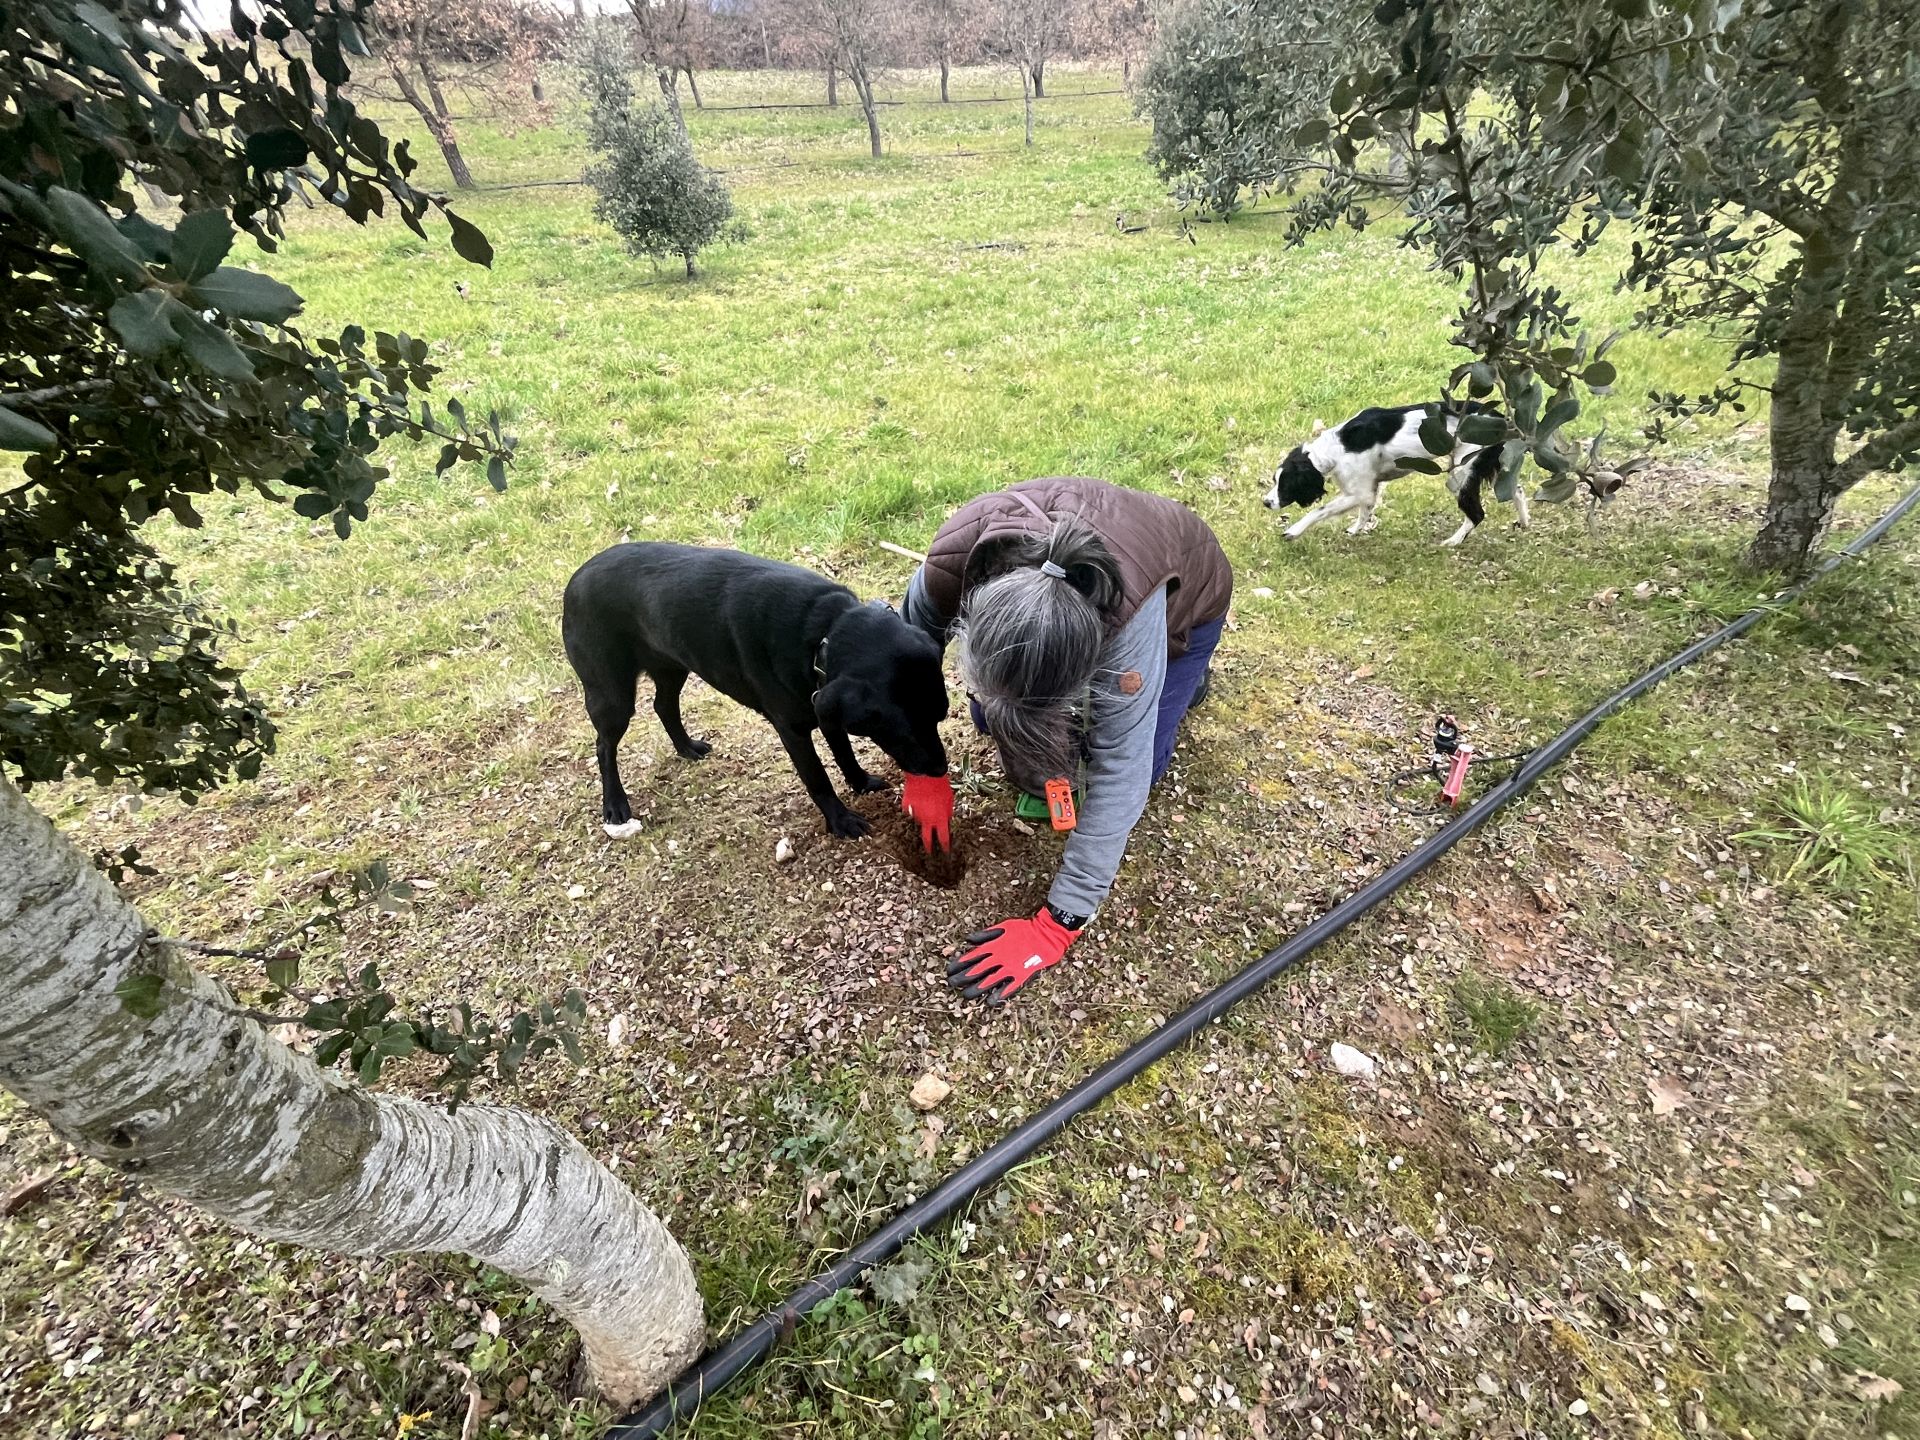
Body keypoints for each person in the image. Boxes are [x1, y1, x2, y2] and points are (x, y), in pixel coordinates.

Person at [901, 477, 1233, 1003]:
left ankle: (1185, 674)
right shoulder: (952, 565)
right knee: (993, 721)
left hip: (1182, 592)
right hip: (1084, 562)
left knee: (1143, 760)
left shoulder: (1125, 634)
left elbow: (1121, 775)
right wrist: (921, 765)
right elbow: (907, 661)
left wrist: (1060, 921)